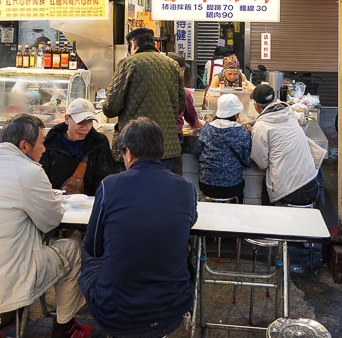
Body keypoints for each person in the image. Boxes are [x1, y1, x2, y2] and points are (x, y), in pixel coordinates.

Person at [79, 118, 197, 338]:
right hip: (172, 311)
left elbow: (95, 248)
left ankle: (66, 321)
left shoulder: (109, 185)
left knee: (86, 251)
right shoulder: (186, 188)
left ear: (129, 153)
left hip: (115, 314)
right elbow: (191, 219)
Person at [0, 113, 91, 338]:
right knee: (74, 248)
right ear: (24, 146)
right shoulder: (30, 172)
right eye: (41, 143)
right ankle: (66, 327)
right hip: (13, 275)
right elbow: (50, 220)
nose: (44, 150)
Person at [103, 27, 186, 170]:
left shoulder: (128, 63)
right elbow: (180, 105)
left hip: (135, 147)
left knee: (135, 190)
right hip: (166, 146)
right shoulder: (172, 64)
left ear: (133, 44)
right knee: (161, 190)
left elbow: (111, 108)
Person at [250, 84, 319, 206]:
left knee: (265, 186)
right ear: (275, 100)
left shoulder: (261, 126)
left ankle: (269, 221)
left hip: (292, 192)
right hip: (312, 183)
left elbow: (261, 163)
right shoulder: (289, 113)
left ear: (256, 105)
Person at [41, 98, 114, 195]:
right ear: (67, 119)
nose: (85, 128)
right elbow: (43, 178)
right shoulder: (50, 142)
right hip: (57, 201)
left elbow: (104, 179)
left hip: (87, 202)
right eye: (80, 122)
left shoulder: (99, 143)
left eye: (89, 122)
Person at [196, 93, 252, 203]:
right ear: (236, 114)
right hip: (232, 187)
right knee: (240, 191)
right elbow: (247, 161)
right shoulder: (243, 133)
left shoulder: (206, 129)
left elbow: (198, 153)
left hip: (206, 185)